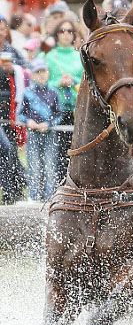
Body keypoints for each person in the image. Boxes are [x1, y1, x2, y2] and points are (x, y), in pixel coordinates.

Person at [45, 18, 83, 185]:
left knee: (77, 149)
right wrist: (58, 83)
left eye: (70, 31)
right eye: (62, 31)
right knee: (57, 151)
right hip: (56, 110)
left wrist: (73, 81)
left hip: (76, 108)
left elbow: (85, 81)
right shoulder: (48, 56)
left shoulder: (79, 56)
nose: (66, 34)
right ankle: (58, 184)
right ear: (57, 34)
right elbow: (41, 83)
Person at [18, 58, 61, 200]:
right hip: (33, 134)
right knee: (34, 168)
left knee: (50, 167)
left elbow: (59, 114)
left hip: (50, 135)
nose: (41, 75)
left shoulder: (54, 93)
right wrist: (28, 121)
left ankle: (50, 198)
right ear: (32, 75)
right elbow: (20, 114)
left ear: (48, 73)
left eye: (43, 71)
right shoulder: (27, 92)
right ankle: (34, 198)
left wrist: (48, 124)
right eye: (38, 72)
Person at [0, 50, 26, 203]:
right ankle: (8, 188)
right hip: (5, 115)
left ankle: (12, 190)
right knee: (6, 148)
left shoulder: (12, 51)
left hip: (10, 115)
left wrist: (14, 68)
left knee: (12, 152)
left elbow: (25, 65)